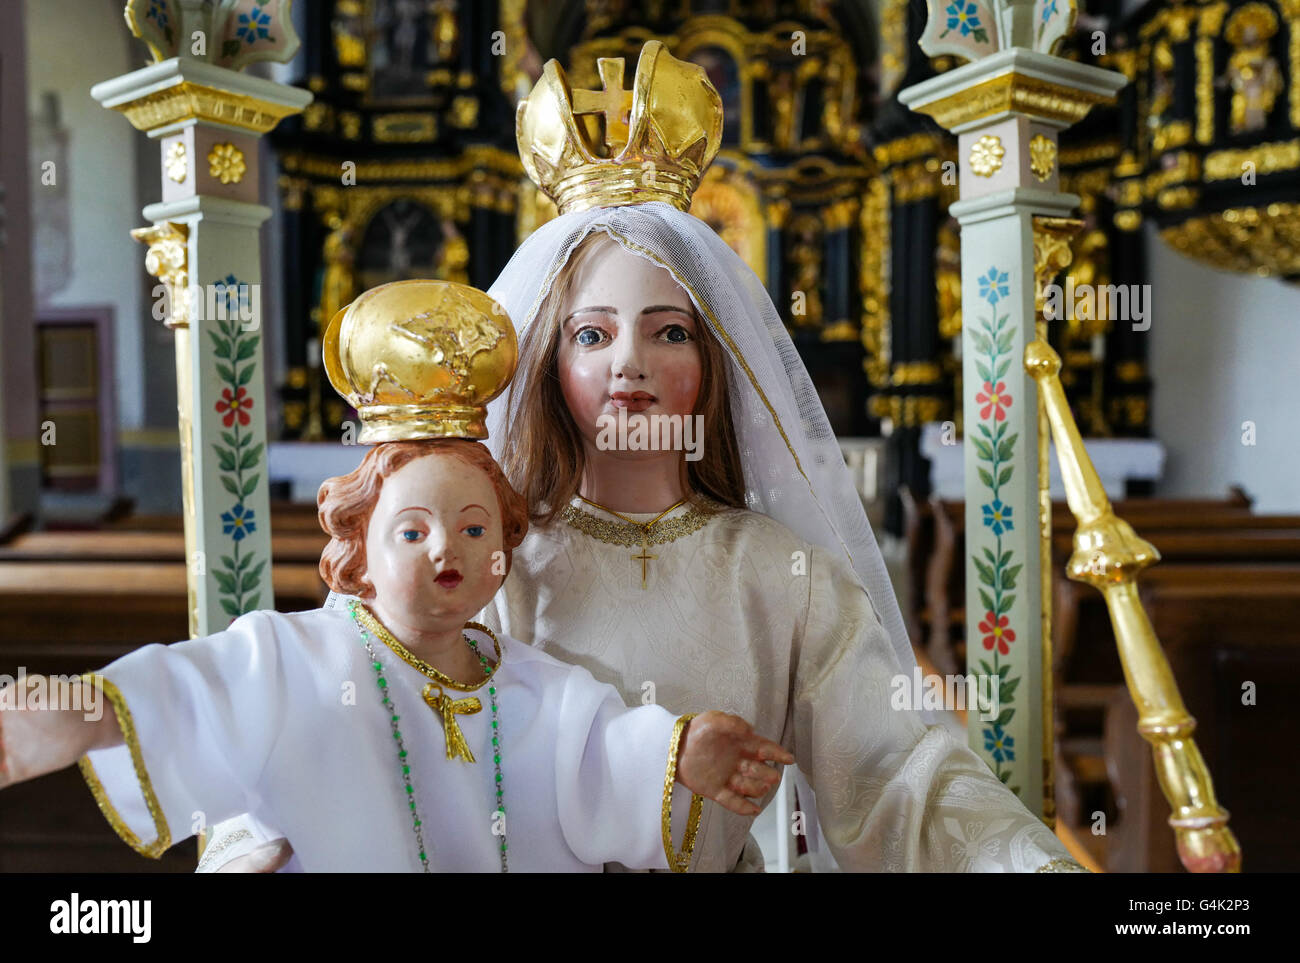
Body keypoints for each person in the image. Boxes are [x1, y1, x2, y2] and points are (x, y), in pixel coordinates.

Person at [205, 41, 1086, 873]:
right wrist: (252, 845)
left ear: (714, 363)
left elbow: (901, 777)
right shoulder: (475, 550)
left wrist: (1023, 859)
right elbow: (326, 721)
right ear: (551, 361)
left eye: (668, 332)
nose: (629, 363)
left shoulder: (780, 575)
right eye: (593, 333)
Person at [0, 289, 793, 873]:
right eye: (411, 530)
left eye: (475, 528)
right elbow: (197, 689)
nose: (445, 547)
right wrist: (85, 713)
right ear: (359, 548)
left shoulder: (528, 682)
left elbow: (598, 752)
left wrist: (681, 750)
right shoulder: (300, 661)